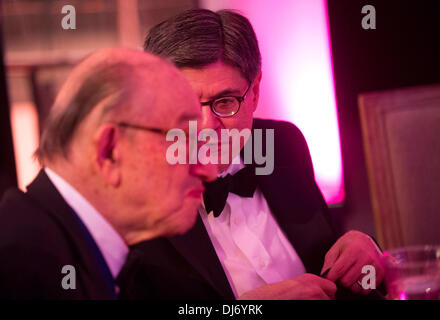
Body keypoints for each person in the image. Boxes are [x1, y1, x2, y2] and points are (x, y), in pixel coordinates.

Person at [116, 9, 385, 300]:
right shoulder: (129, 199)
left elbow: (330, 261)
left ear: (254, 92)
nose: (207, 127)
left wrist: (362, 249)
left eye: (225, 101)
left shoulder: (282, 144)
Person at [0, 48, 216, 299]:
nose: (209, 171)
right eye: (183, 141)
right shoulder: (19, 271)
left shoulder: (59, 247)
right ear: (109, 151)